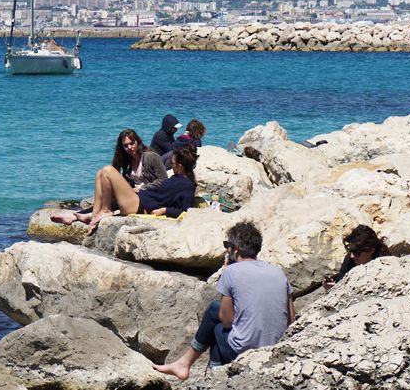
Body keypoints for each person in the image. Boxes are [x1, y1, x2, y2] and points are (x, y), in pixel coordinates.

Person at [154, 222, 294, 380]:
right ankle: (205, 373)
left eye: (227, 245)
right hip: (274, 351)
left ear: (235, 249)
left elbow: (226, 320)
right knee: (219, 326)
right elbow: (290, 319)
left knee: (215, 314)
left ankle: (194, 368)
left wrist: (227, 270)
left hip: (245, 353)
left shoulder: (231, 272)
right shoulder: (278, 272)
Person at [51, 145, 199, 233]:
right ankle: (81, 215)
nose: (171, 165)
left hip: (140, 205)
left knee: (108, 170)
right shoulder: (176, 179)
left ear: (180, 165)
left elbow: (186, 211)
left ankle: (103, 212)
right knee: (100, 173)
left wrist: (165, 210)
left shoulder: (187, 186)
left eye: (172, 163)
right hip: (139, 199)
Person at [323, 224, 391, 290]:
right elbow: (341, 280)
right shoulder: (350, 259)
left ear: (371, 250)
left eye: (356, 252)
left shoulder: (384, 263)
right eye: (350, 250)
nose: (352, 256)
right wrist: (333, 286)